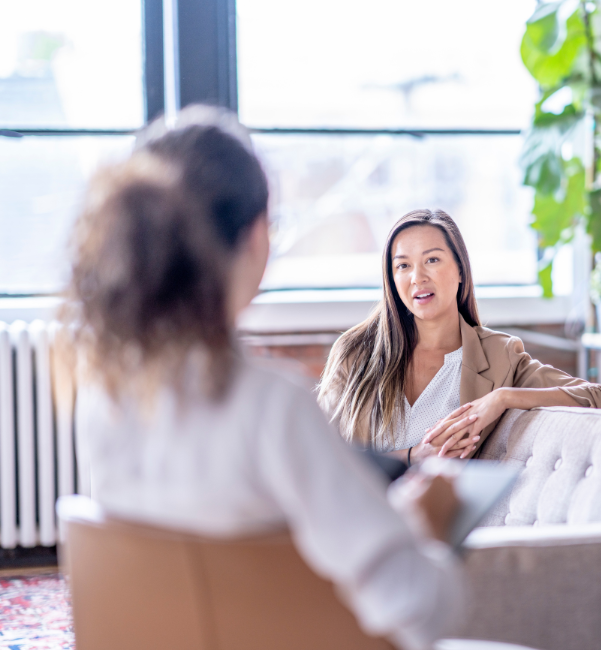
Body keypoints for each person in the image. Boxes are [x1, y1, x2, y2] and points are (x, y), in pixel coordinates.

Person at [64, 107, 469, 650]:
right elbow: (420, 609)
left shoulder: (104, 396)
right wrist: (425, 528)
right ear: (256, 235)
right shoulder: (272, 406)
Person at [318, 209, 601, 465]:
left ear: (461, 270)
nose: (417, 277)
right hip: (362, 520)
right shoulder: (355, 352)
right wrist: (413, 457)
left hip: (447, 527)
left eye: (432, 260)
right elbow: (317, 455)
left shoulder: (499, 356)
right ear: (392, 279)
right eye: (403, 265)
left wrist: (503, 397)